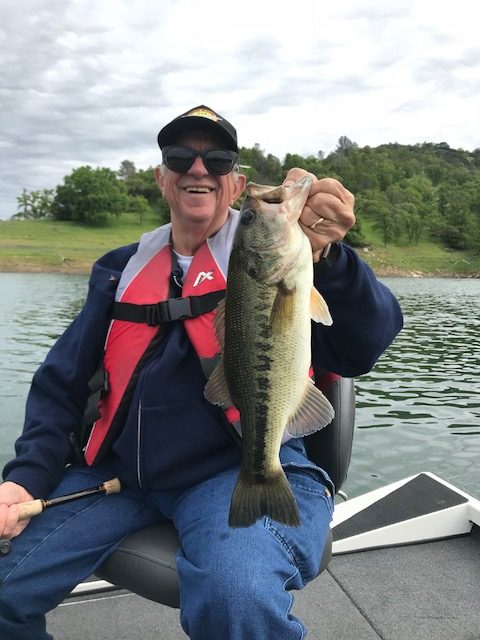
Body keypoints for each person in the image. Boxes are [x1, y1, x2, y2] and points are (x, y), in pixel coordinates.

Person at [0, 105, 403, 640]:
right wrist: (23, 478)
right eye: (179, 158)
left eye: (216, 159)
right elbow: (59, 386)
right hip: (117, 480)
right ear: (161, 176)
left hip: (237, 469)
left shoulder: (285, 258)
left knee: (236, 595)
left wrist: (331, 257)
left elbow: (363, 347)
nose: (198, 169)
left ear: (235, 183)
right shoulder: (120, 271)